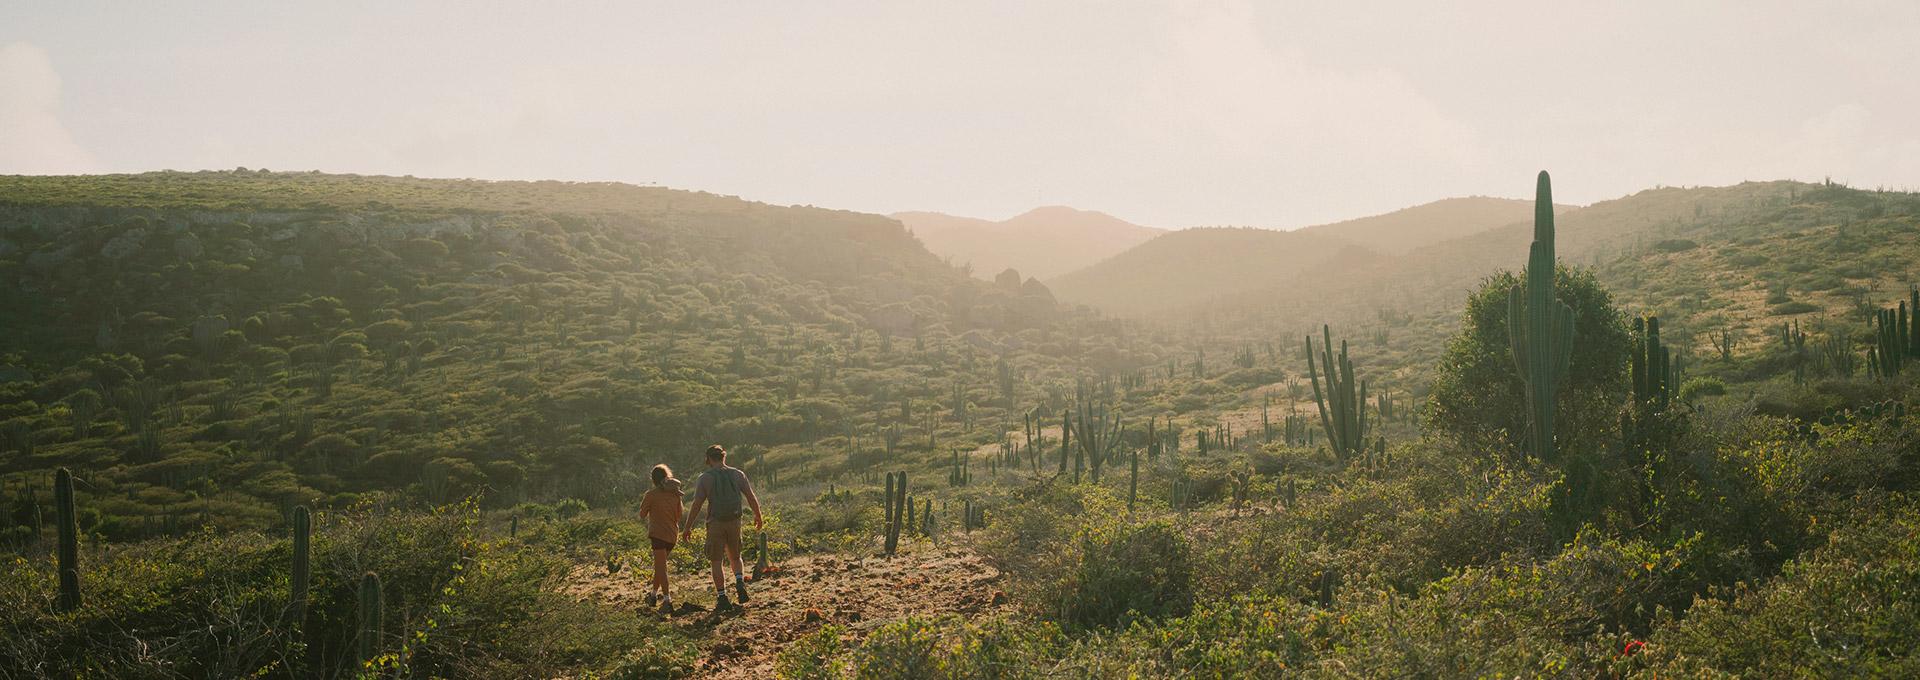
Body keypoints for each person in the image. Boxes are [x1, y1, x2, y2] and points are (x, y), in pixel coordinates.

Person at [681, 444, 763, 610]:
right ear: (723, 457)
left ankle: (722, 597)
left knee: (716, 561)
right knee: (735, 555)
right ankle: (740, 582)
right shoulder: (738, 474)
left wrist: (687, 526)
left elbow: (697, 504)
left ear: (709, 459)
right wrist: (758, 516)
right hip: (735, 520)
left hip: (715, 523)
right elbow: (750, 496)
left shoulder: (705, 478)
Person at [637, 464, 685, 612]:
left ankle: (667, 600)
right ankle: (652, 595)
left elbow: (642, 514)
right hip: (672, 534)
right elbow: (679, 515)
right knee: (660, 566)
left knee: (661, 567)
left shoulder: (650, 495)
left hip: (657, 534)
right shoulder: (676, 494)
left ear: (653, 479)